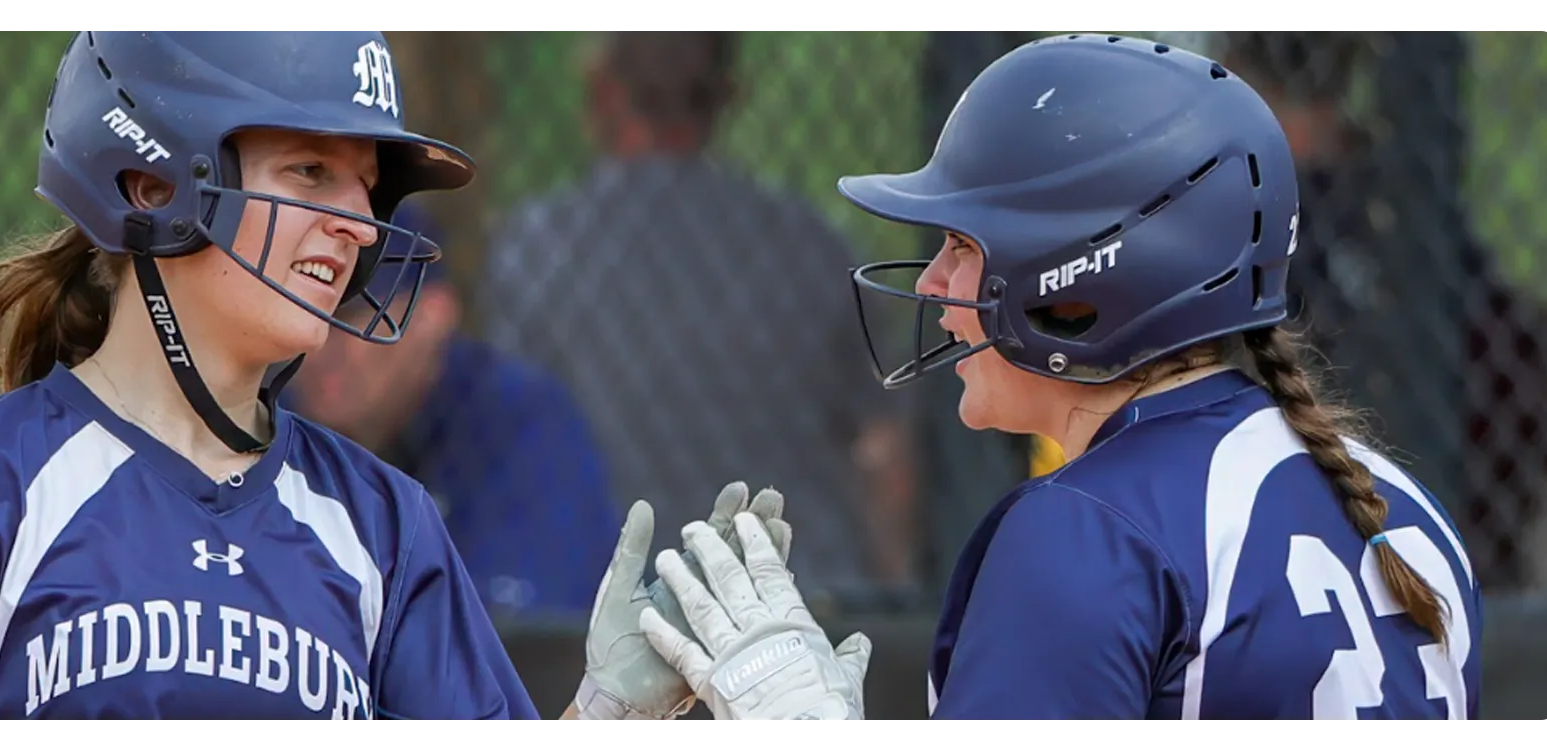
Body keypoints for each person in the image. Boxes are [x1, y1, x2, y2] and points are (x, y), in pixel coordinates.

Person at [0, 27, 784, 721]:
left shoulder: (383, 526)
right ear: (149, 181)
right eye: (310, 171)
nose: (356, 224)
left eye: (365, 185)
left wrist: (602, 716)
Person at [634, 33, 1483, 720]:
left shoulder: (1088, 535)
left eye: (963, 245)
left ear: (1078, 279)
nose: (932, 284)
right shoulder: (1401, 507)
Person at [481, 26, 920, 602]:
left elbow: (506, 448)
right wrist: (899, 590)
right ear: (729, 95)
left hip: (608, 606)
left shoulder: (535, 249)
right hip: (794, 599)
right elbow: (882, 452)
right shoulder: (813, 245)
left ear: (603, 91)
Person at [287, 203, 622, 618]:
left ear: (433, 313)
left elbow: (528, 634)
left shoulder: (516, 420)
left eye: (352, 316)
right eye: (303, 308)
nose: (320, 342)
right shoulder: (262, 415)